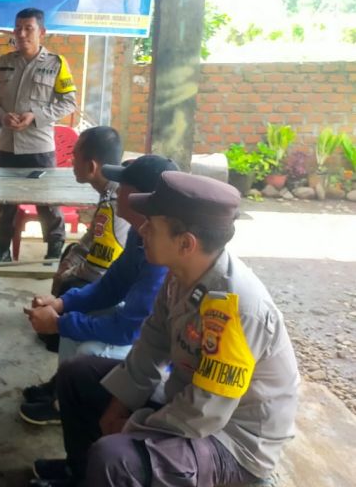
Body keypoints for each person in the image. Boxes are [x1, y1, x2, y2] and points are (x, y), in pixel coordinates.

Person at [32, 172, 299, 487]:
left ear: (186, 243)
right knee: (77, 374)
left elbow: (204, 414)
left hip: (233, 442)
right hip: (185, 399)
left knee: (115, 458)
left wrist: (131, 425)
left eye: (152, 226)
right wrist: (118, 407)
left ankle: (99, 470)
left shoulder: (234, 309)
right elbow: (149, 348)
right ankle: (80, 474)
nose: (141, 230)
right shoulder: (180, 275)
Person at [20, 155, 175, 427]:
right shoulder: (140, 233)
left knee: (88, 351)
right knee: (73, 319)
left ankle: (71, 404)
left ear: (141, 198)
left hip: (162, 359)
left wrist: (59, 323)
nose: (116, 190)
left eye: (123, 186)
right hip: (140, 330)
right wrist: (61, 305)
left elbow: (129, 330)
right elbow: (111, 286)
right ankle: (63, 394)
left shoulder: (162, 253)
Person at [0, 8, 77, 264]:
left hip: (39, 148)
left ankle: (54, 250)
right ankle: (1, 249)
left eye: (29, 29)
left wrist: (35, 116)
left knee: (46, 201)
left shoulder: (56, 64)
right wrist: (1, 116)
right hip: (7, 146)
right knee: (5, 201)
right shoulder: (4, 62)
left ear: (42, 32)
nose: (22, 34)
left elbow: (69, 102)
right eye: (18, 29)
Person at [49, 125, 129, 299]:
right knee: (71, 252)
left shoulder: (114, 204)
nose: (71, 161)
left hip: (119, 287)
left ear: (91, 167)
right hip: (113, 268)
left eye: (75, 157)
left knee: (71, 284)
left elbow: (97, 270)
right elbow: (92, 236)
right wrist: (69, 262)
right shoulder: (110, 190)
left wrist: (65, 275)